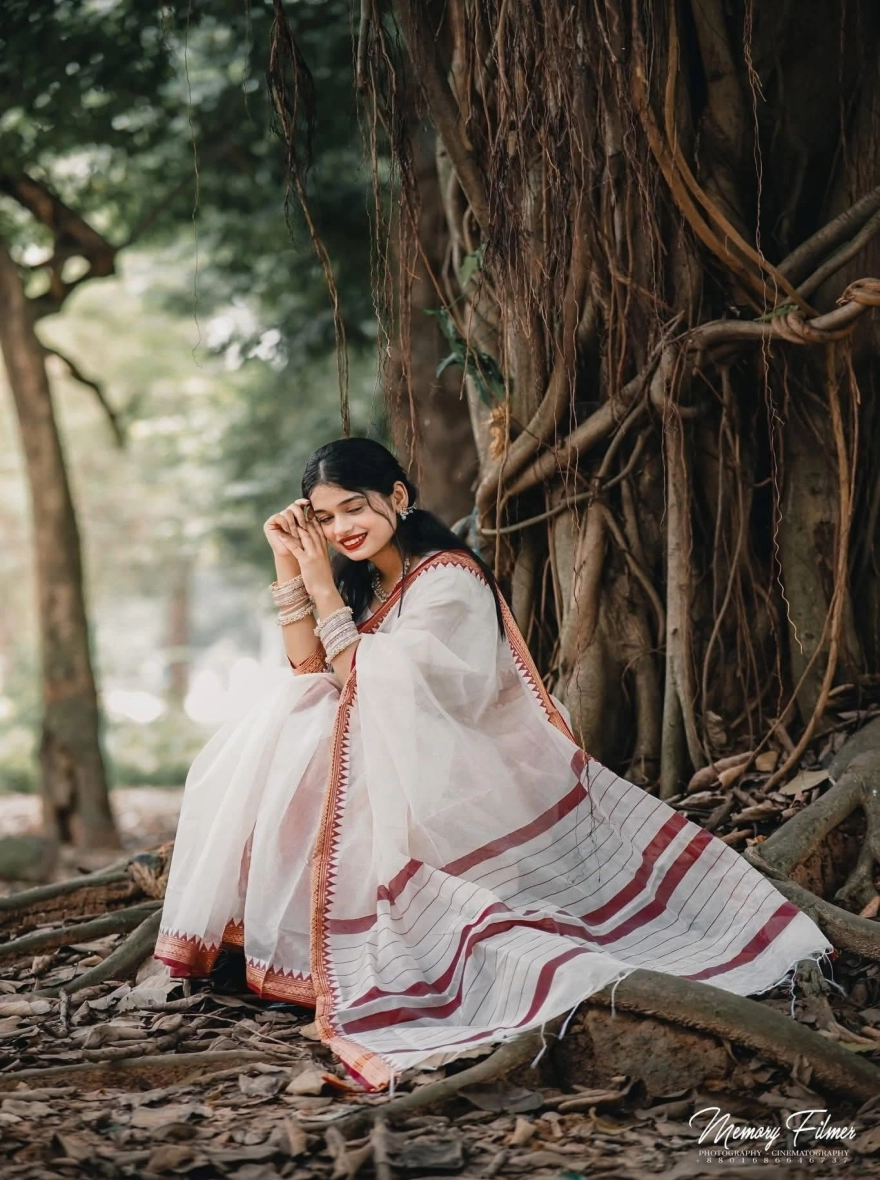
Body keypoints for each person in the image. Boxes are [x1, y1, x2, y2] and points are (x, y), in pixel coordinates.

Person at [155, 437, 831, 1091]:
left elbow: (365, 678)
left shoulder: (449, 581)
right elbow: (312, 667)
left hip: (463, 773)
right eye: (324, 518)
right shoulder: (360, 582)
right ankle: (290, 948)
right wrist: (288, 565)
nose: (341, 529)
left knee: (306, 723)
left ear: (399, 495)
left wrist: (317, 586)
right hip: (382, 761)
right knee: (297, 707)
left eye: (355, 507)